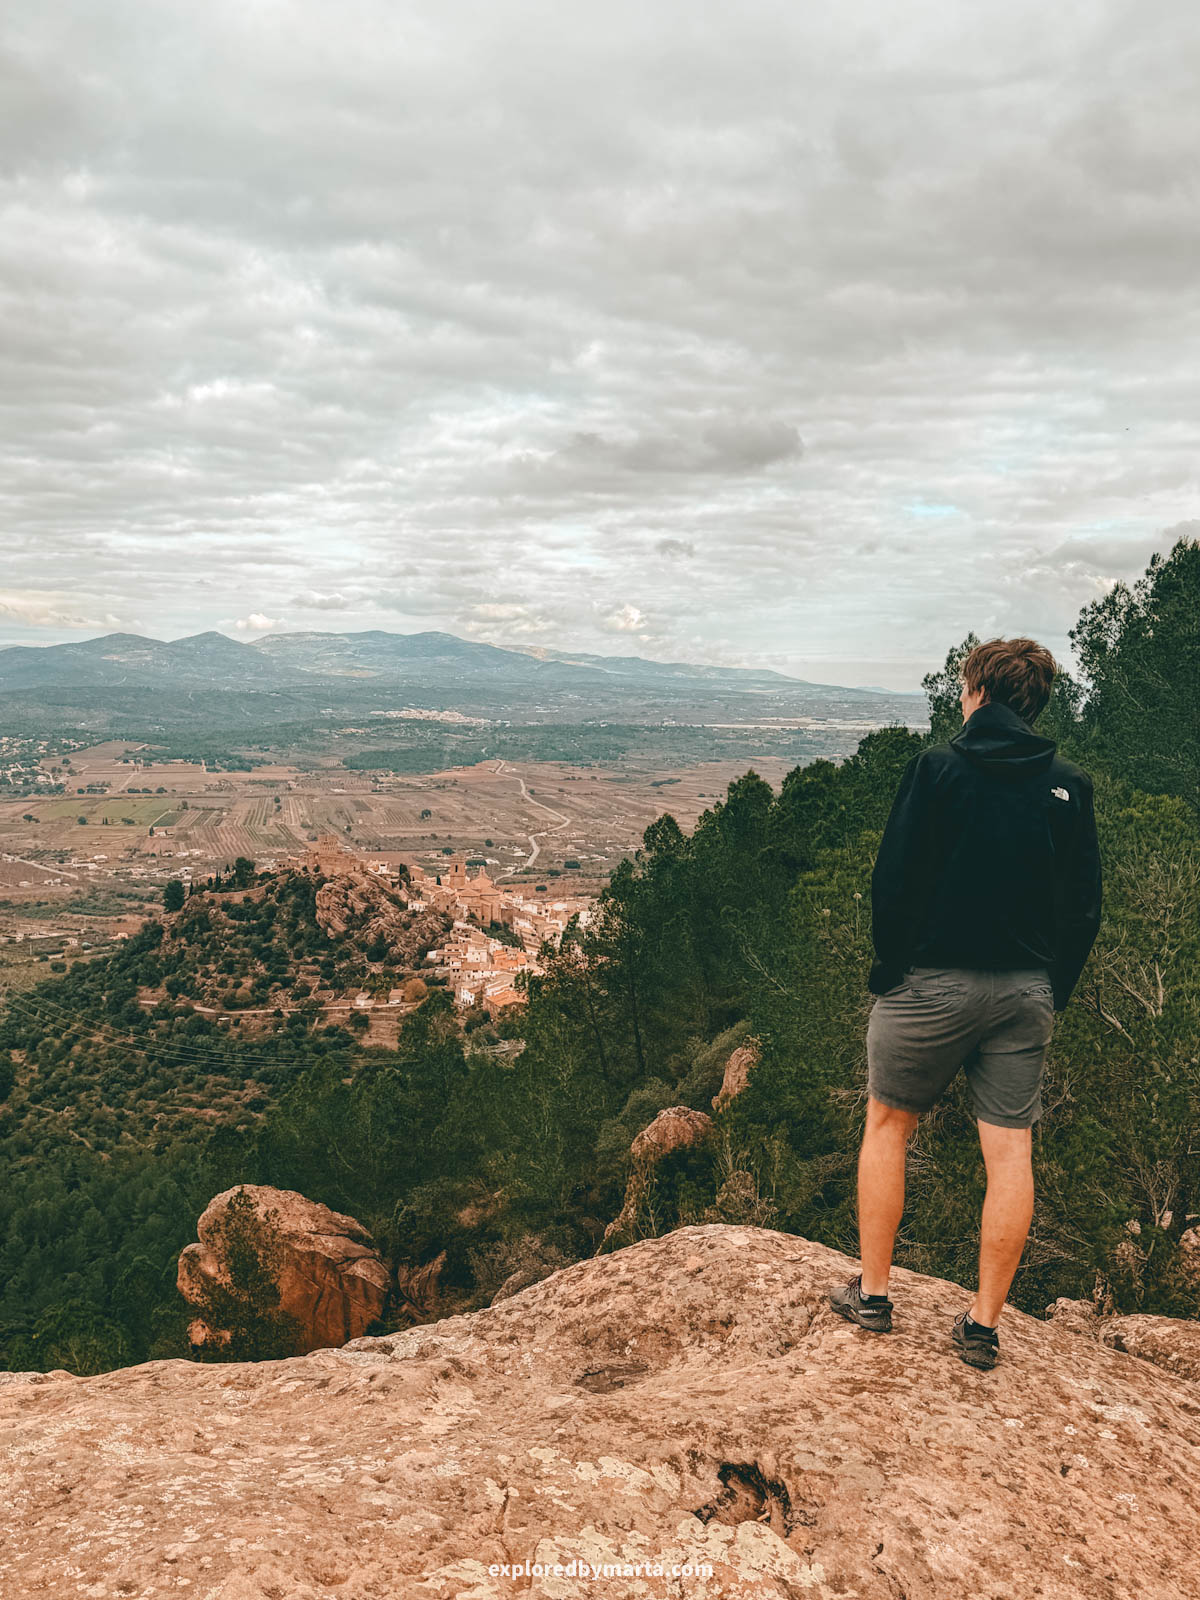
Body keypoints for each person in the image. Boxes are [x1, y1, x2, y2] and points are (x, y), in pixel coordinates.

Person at [829, 637, 1102, 1369]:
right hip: (1024, 991)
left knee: (888, 1126)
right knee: (1010, 1151)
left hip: (930, 984)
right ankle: (981, 1328)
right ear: (1034, 702)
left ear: (978, 690)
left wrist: (890, 971)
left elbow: (895, 880)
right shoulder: (1069, 785)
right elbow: (1083, 909)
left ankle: (875, 1298)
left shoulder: (938, 770)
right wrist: (1053, 988)